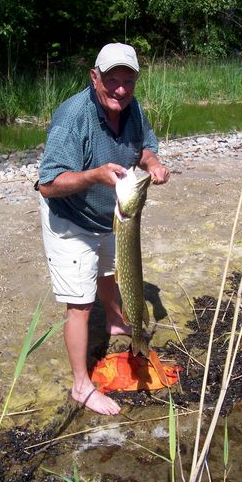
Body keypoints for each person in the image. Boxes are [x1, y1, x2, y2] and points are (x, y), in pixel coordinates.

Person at [38, 42, 170, 415]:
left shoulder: (132, 109)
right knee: (79, 304)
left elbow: (144, 147)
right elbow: (48, 183)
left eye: (128, 81)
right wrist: (94, 175)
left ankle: (114, 320)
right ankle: (81, 386)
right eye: (113, 81)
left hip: (113, 216)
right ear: (95, 77)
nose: (121, 90)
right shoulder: (73, 117)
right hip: (70, 219)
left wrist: (154, 163)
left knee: (112, 271)